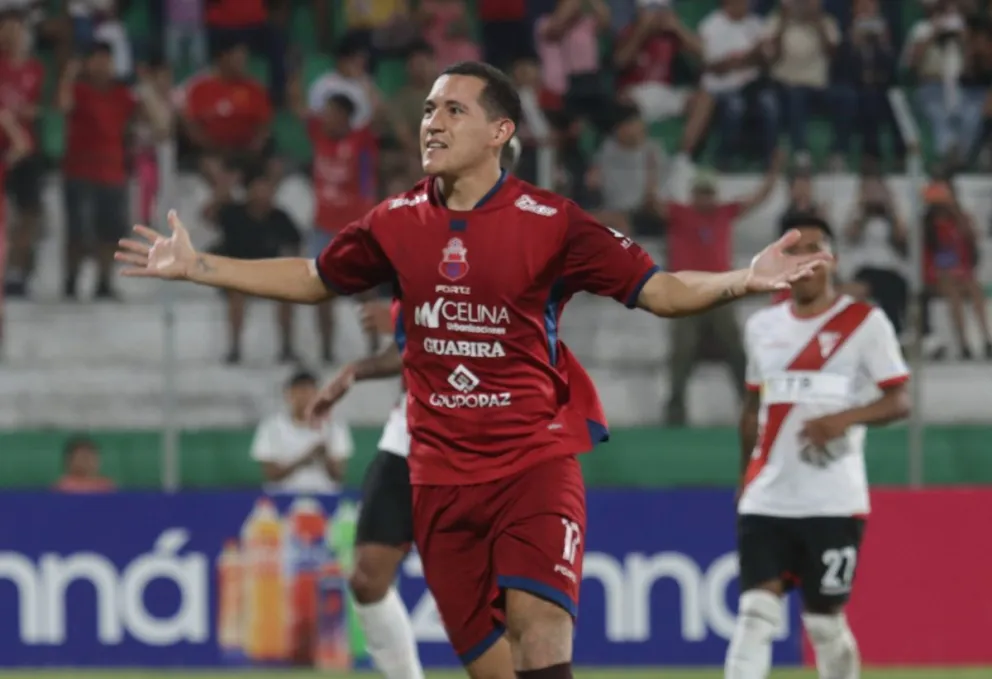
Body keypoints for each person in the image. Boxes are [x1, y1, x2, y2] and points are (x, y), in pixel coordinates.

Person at [115, 60, 828, 678]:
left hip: (532, 461)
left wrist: (743, 277)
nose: (432, 122)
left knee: (538, 626)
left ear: (500, 132)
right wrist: (199, 266)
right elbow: (313, 277)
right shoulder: (395, 220)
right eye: (429, 109)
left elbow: (661, 290)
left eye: (454, 110)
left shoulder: (552, 221)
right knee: (492, 665)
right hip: (437, 477)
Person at [726, 213, 911, 679]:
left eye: (814, 249)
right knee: (754, 617)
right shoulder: (762, 326)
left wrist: (842, 420)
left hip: (832, 500)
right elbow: (753, 408)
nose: (805, 260)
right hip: (767, 497)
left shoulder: (864, 323)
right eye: (794, 250)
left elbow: (899, 400)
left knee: (824, 624)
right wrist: (744, 476)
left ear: (833, 259)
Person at [310, 299, 423, 679]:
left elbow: (472, 339)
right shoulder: (414, 275)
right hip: (406, 439)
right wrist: (355, 370)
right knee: (367, 578)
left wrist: (406, 321)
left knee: (485, 593)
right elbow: (409, 349)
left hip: (475, 445)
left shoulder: (480, 271)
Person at [213, 167, 302, 364]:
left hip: (270, 273)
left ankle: (287, 347)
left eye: (267, 190)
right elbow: (207, 218)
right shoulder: (233, 214)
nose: (263, 195)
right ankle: (235, 348)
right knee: (236, 293)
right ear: (249, 192)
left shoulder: (280, 217)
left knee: (289, 293)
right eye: (259, 189)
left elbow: (296, 244)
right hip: (239, 272)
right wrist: (221, 192)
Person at [250, 369, 353, 494]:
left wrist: (324, 455)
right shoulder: (271, 427)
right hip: (283, 497)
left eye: (310, 392)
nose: (305, 398)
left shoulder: (335, 426)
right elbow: (272, 475)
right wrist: (304, 459)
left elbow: (338, 476)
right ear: (288, 395)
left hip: (324, 496)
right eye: (300, 392)